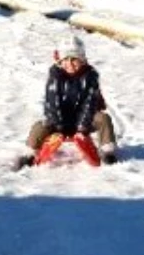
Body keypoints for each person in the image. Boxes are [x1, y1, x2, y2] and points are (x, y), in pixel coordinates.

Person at [22, 36, 118, 167]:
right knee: (39, 126)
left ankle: (108, 152)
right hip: (59, 121)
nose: (70, 63)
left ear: (82, 60)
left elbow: (89, 103)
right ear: (60, 61)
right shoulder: (55, 76)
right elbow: (52, 103)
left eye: (74, 59)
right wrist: (58, 127)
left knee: (104, 119)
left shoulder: (90, 76)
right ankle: (29, 154)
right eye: (65, 59)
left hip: (85, 120)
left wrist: (82, 128)